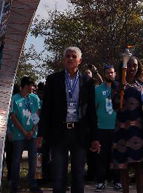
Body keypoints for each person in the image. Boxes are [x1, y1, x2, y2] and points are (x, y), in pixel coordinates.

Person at [38, 47, 100, 193]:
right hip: (59, 132)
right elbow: (46, 109)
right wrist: (41, 133)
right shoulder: (53, 79)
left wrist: (94, 138)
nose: (70, 59)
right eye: (67, 56)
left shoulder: (88, 81)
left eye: (73, 56)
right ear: (63, 59)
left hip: (79, 132)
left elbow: (91, 111)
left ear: (79, 60)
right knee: (59, 176)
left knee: (78, 175)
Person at [111, 56, 143, 193]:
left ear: (138, 67)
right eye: (129, 66)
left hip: (139, 130)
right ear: (123, 68)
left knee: (139, 165)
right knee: (123, 166)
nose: (132, 68)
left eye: (135, 66)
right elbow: (116, 106)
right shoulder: (116, 84)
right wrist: (120, 89)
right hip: (122, 129)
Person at [9, 76, 42, 193]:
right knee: (16, 161)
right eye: (32, 85)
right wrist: (24, 132)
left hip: (32, 134)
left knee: (35, 160)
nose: (33, 88)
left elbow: (37, 114)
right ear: (25, 86)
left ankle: (34, 185)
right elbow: (13, 117)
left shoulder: (34, 98)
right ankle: (14, 186)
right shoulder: (14, 99)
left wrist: (33, 131)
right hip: (19, 135)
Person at [94, 64, 120, 192]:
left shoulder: (120, 89)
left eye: (112, 72)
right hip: (101, 129)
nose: (110, 74)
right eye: (108, 73)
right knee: (102, 157)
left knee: (117, 156)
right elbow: (93, 110)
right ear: (104, 74)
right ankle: (100, 182)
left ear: (115, 74)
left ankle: (118, 181)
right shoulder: (97, 90)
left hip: (117, 129)